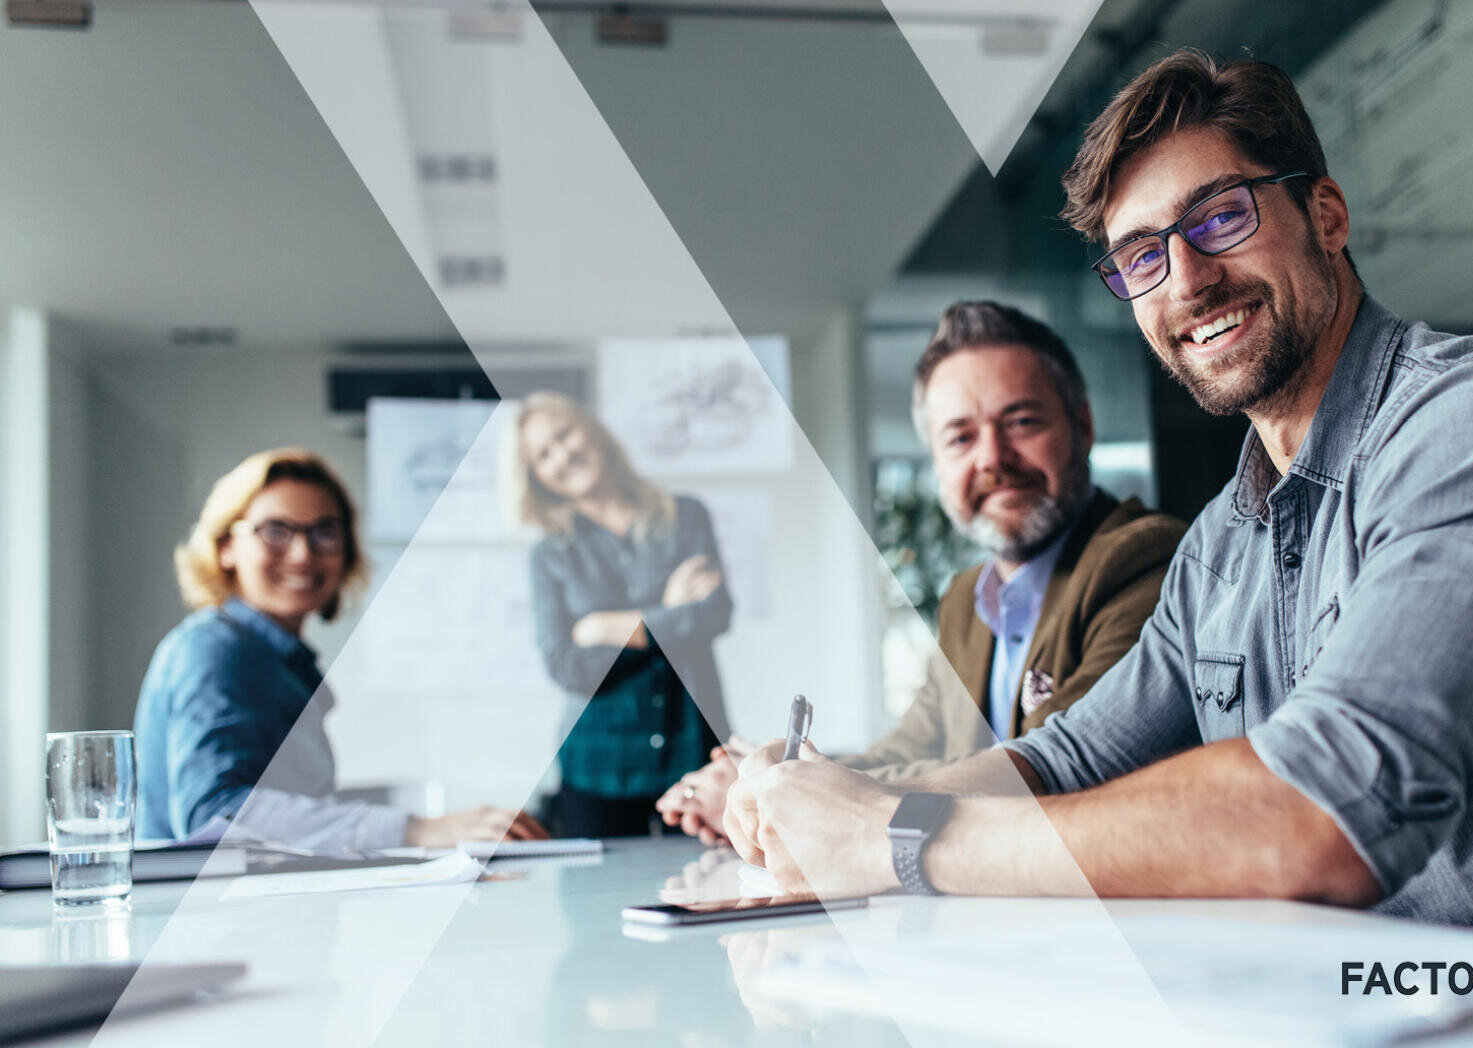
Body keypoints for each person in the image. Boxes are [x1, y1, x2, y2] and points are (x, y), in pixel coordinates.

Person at [724, 50, 1473, 938]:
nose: (1185, 280)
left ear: (1325, 212)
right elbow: (1070, 757)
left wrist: (892, 839)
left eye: (1219, 218)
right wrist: (837, 809)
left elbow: (1324, 815)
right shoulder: (1225, 540)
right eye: (1141, 257)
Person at [657, 302, 1186, 843]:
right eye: (960, 437)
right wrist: (773, 782)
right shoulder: (967, 599)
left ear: (1083, 426)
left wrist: (784, 791)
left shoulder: (1141, 560)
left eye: (1022, 422)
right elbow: (911, 749)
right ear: (936, 460)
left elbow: (1054, 766)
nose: (992, 458)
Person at [135, 447, 546, 849]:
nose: (302, 554)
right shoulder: (215, 650)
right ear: (226, 546)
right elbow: (214, 815)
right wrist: (416, 830)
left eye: (325, 532)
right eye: (275, 531)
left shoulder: (279, 660)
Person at [512, 391, 732, 838]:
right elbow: (568, 667)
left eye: (564, 434)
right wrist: (668, 613)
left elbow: (713, 614)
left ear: (591, 431)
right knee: (596, 905)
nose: (562, 454)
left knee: (713, 891)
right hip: (598, 767)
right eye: (543, 454)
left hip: (694, 750)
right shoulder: (550, 555)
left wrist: (603, 628)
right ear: (536, 477)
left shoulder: (685, 517)